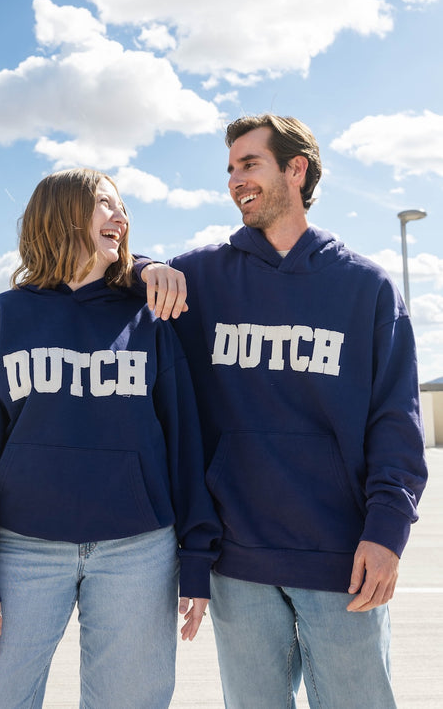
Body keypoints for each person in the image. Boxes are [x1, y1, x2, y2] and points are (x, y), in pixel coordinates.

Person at [138, 114, 428, 708]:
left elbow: (396, 421)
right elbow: (109, 273)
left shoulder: (366, 289)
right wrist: (146, 268)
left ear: (296, 170)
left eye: (250, 164)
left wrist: (388, 533)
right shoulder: (199, 277)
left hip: (343, 555)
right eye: (230, 169)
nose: (235, 180)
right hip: (237, 556)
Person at [0, 168, 221, 709]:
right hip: (22, 550)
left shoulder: (148, 318)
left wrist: (197, 558)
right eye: (104, 203)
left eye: (123, 206)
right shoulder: (4, 316)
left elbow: (184, 443)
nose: (121, 216)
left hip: (139, 552)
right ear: (61, 213)